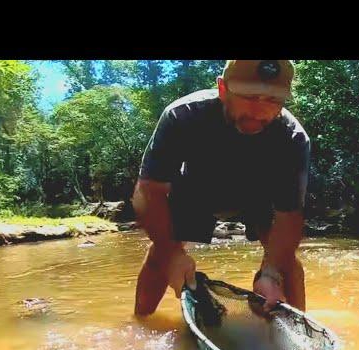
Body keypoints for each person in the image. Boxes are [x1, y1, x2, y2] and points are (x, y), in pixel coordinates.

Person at [132, 60, 310, 316]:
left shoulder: (292, 138)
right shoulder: (183, 116)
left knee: (287, 265)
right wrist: (171, 254)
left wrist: (271, 271)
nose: (259, 110)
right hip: (196, 189)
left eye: (273, 100)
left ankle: (298, 335)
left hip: (261, 194)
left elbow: (289, 216)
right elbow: (149, 191)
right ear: (223, 88)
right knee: (160, 257)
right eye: (249, 96)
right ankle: (140, 321)